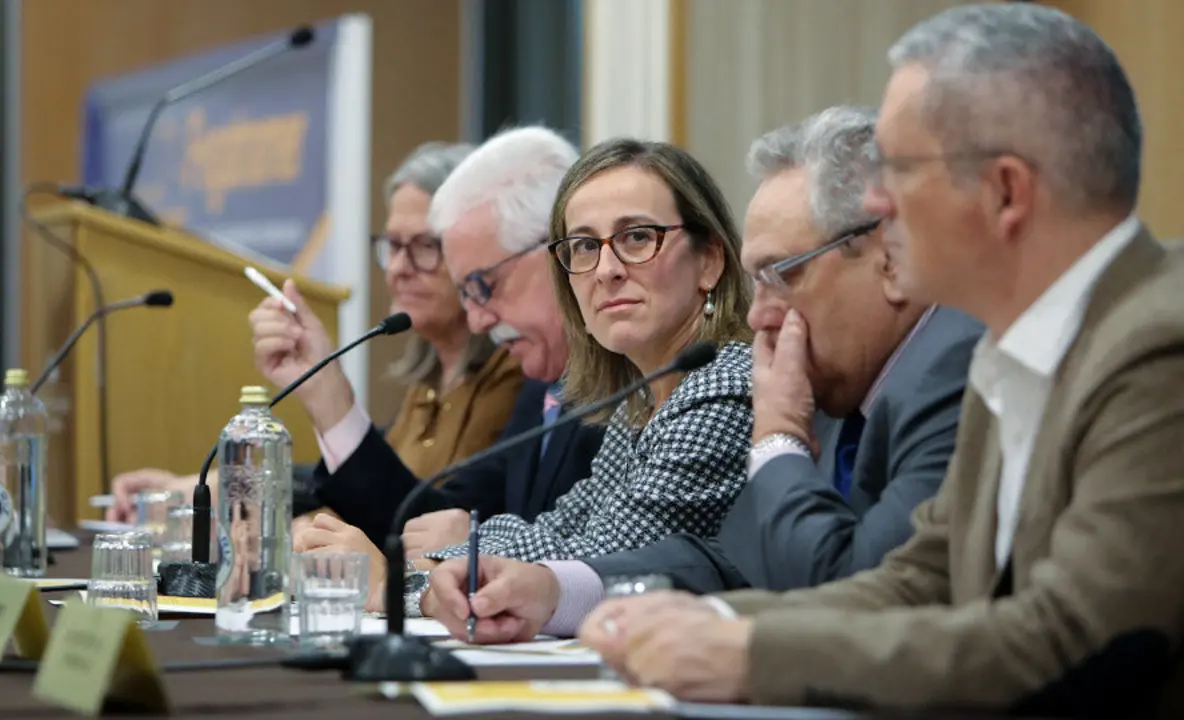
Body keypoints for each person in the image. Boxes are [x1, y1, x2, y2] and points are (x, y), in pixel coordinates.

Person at [577, 5, 1184, 716]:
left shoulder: (1156, 346)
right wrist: (713, 623)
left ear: (1006, 191)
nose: (872, 201)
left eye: (897, 168)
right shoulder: (1010, 347)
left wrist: (752, 655)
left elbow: (1075, 637)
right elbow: (917, 580)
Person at [423, 106, 984, 639]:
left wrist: (780, 439)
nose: (760, 315)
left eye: (783, 274)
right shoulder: (836, 386)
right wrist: (546, 588)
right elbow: (728, 562)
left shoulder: (939, 375)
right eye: (585, 247)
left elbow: (851, 588)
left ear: (888, 257)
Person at [305, 138, 759, 614]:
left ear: (708, 260)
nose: (605, 270)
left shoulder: (723, 387)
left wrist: (393, 585)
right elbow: (557, 531)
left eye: (637, 238)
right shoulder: (641, 402)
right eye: (584, 246)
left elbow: (601, 560)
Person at [108, 141, 525, 532]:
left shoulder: (515, 376)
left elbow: (422, 519)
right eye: (393, 245)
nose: (399, 267)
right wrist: (221, 485)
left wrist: (325, 390)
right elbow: (350, 474)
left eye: (425, 246)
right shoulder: (430, 380)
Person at [291, 127, 607, 596]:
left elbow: (603, 546)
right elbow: (441, 523)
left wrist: (406, 579)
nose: (478, 320)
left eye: (422, 247)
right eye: (392, 246)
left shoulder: (544, 376)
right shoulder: (544, 383)